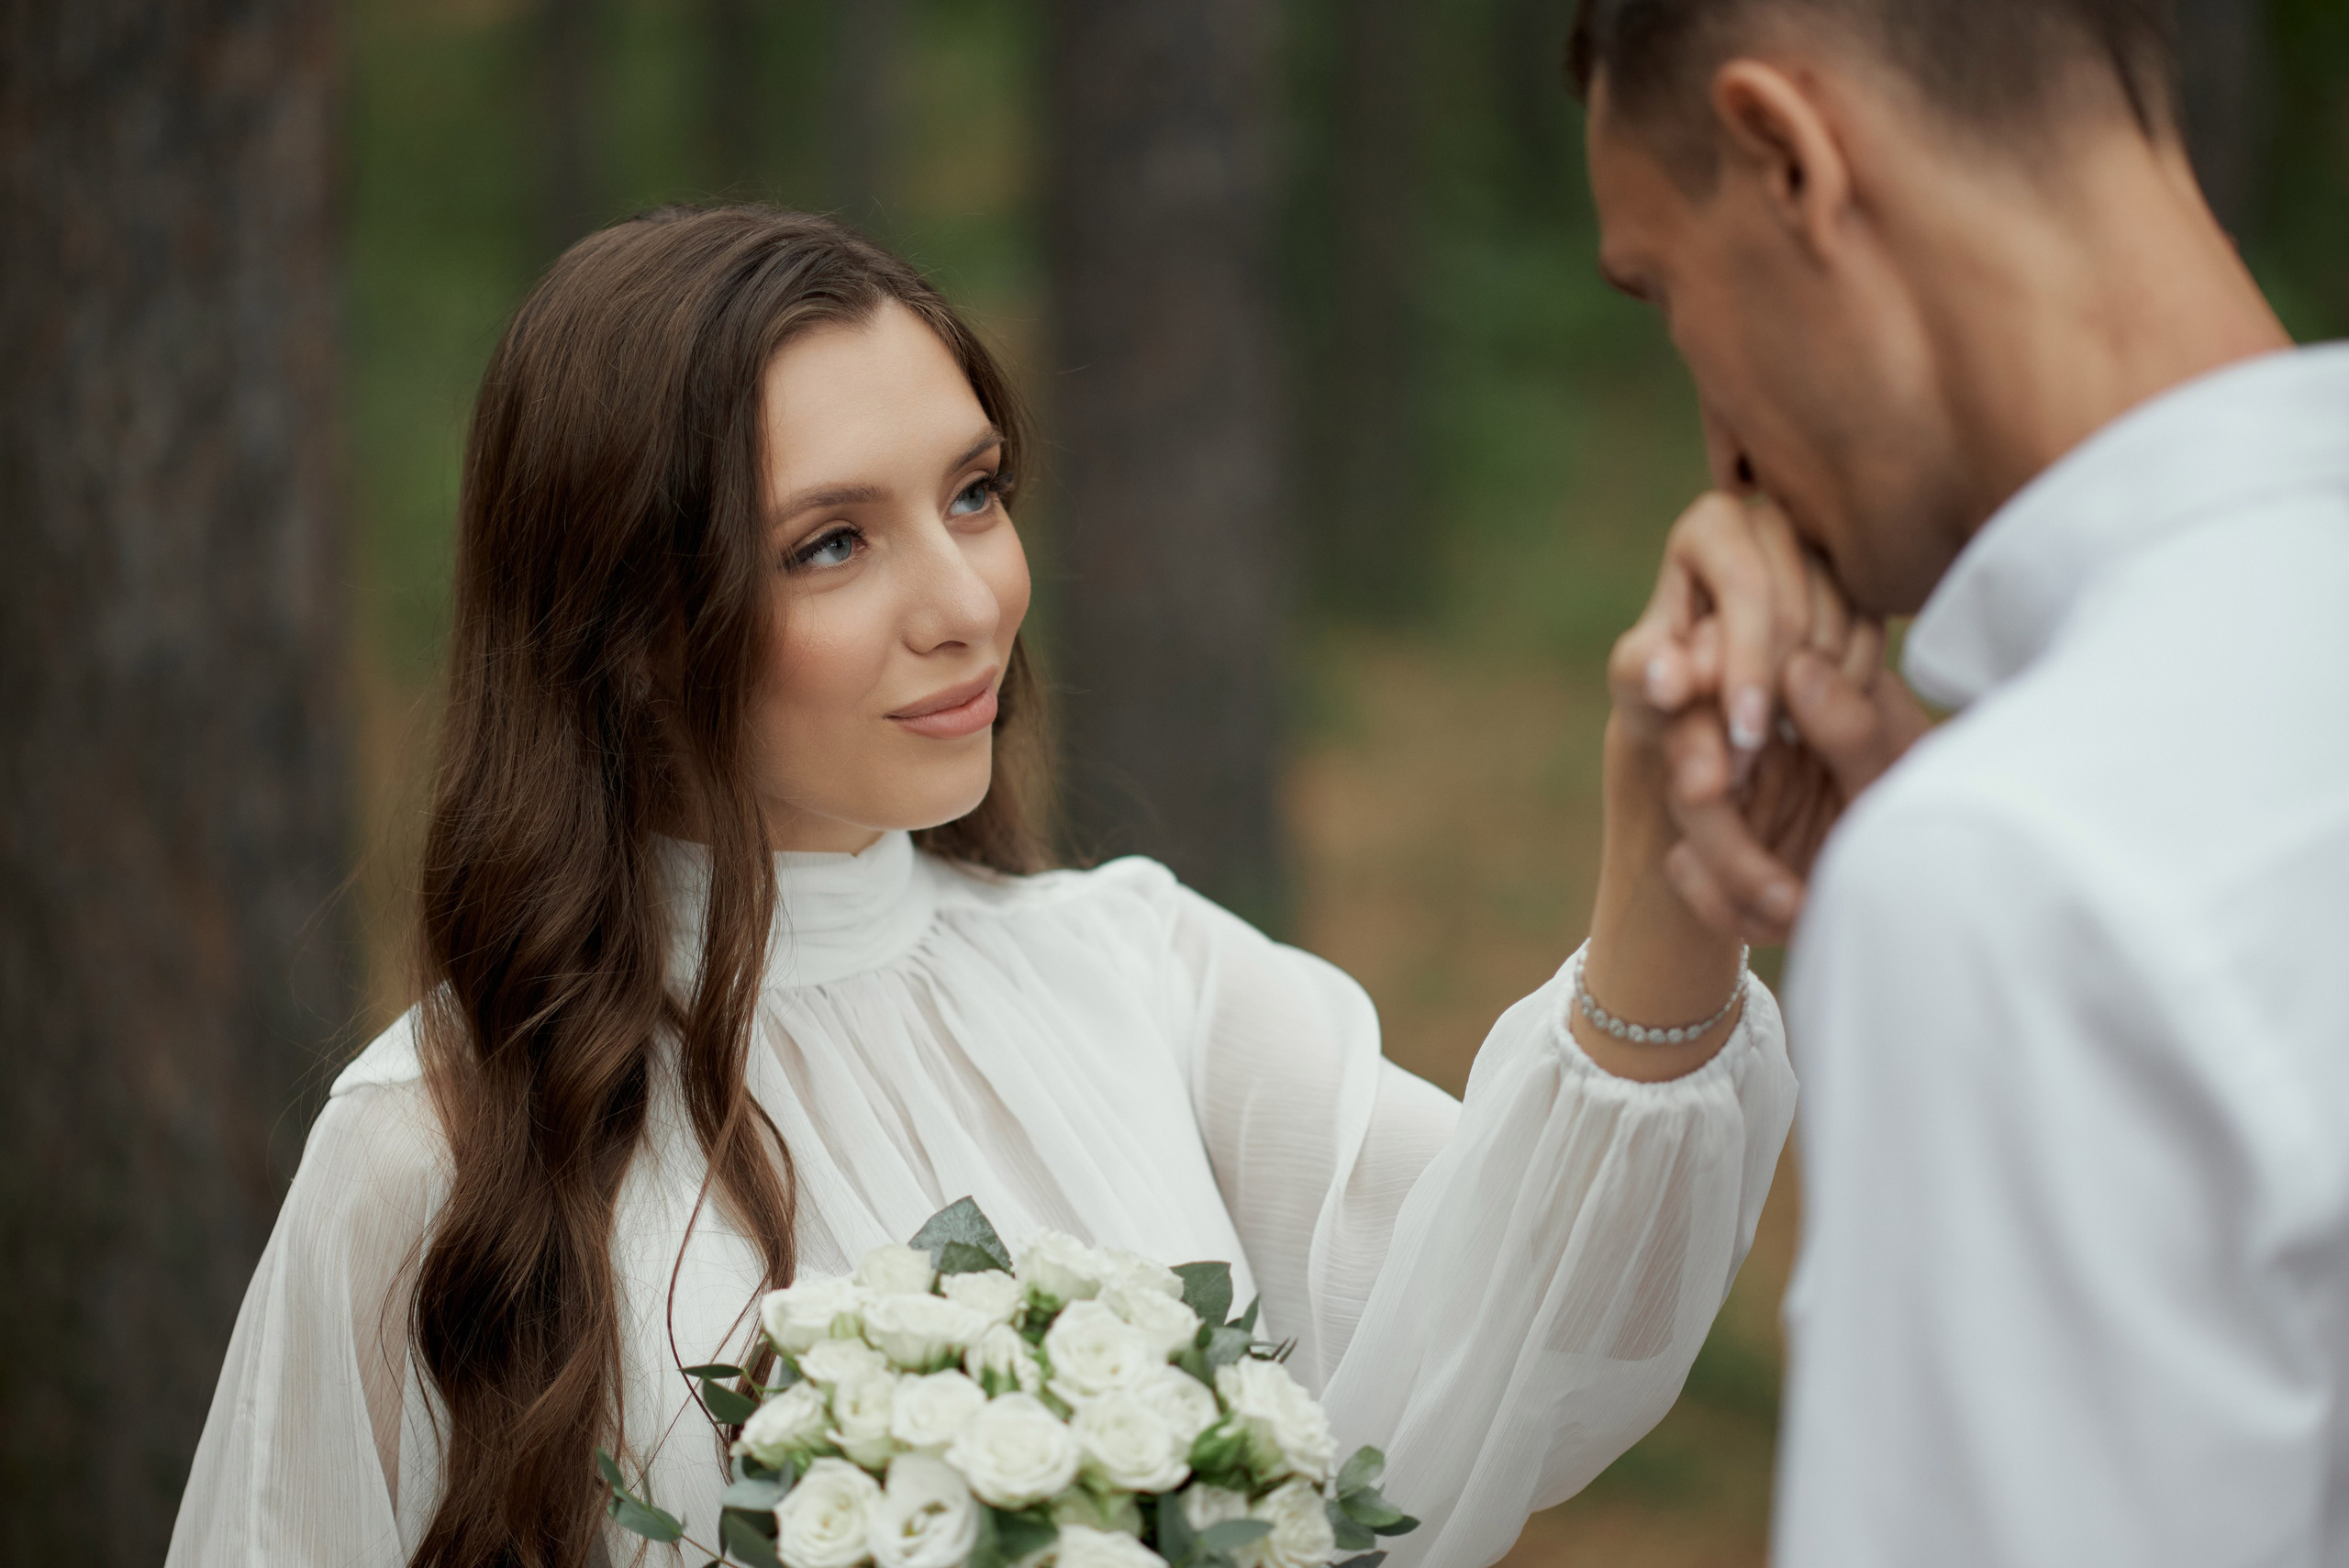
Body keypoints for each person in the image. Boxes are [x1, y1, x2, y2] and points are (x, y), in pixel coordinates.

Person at [166, 206, 1834, 1568]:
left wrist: (1676, 862)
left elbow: (1527, 1329)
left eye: (975, 492)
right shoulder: (430, 1145)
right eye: (833, 541)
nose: (969, 599)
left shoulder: (1136, 973)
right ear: (626, 616)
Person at [1566, 0, 2349, 1562]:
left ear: (1789, 159)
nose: (1717, 452)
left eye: (1663, 292)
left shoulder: (2022, 871)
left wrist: (1968, 883)